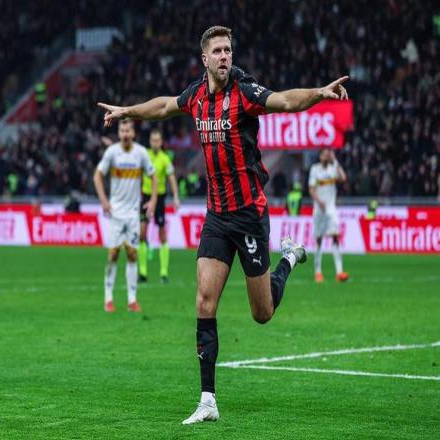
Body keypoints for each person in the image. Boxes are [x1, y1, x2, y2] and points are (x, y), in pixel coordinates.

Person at [97, 25, 349, 424]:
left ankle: (288, 259)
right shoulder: (197, 95)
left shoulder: (245, 93)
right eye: (217, 51)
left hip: (249, 215)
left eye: (228, 50)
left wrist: (319, 93)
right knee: (204, 301)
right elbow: (163, 106)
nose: (224, 56)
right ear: (204, 58)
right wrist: (127, 110)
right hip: (217, 217)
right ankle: (208, 400)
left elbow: (284, 100)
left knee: (262, 313)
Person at [93, 119, 157, 313]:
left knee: (132, 254)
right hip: (116, 213)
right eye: (122, 131)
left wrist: (153, 201)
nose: (125, 134)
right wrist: (104, 200)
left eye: (128, 130)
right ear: (119, 133)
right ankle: (108, 298)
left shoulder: (141, 153)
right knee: (113, 255)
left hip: (132, 214)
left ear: (133, 133)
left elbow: (154, 177)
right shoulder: (112, 152)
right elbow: (97, 175)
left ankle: (132, 300)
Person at [139, 129, 180, 284]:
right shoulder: (144, 155)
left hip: (160, 198)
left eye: (157, 140)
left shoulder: (165, 159)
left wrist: (175, 196)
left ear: (161, 142)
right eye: (153, 140)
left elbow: (172, 178)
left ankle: (163, 272)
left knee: (162, 234)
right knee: (142, 233)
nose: (155, 143)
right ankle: (142, 272)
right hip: (145, 196)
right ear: (150, 141)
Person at [308, 148, 349, 283]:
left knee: (335, 237)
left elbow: (343, 178)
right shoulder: (315, 169)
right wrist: (319, 201)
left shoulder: (333, 169)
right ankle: (318, 272)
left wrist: (335, 161)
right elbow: (311, 189)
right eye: (324, 155)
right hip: (319, 209)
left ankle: (339, 272)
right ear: (320, 157)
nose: (326, 157)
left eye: (328, 155)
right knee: (319, 239)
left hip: (331, 209)